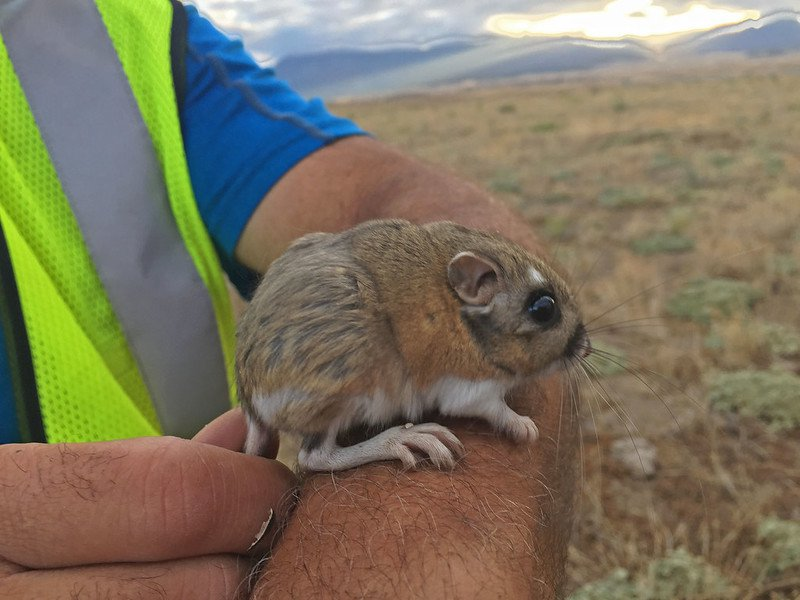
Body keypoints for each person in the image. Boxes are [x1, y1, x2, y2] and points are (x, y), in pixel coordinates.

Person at [0, 1, 579, 598]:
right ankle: (326, 452)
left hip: (222, 476)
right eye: (541, 314)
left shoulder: (117, 25)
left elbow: (374, 185)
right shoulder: (446, 335)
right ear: (473, 288)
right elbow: (459, 389)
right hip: (273, 423)